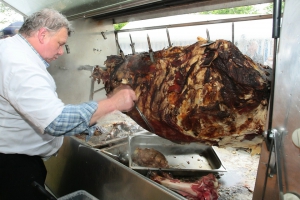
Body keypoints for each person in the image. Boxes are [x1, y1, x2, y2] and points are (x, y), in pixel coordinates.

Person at [0, 8, 137, 200]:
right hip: (13, 167)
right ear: (42, 34)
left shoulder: (9, 49)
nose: (61, 52)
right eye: (60, 43)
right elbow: (57, 121)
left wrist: (86, 124)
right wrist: (113, 103)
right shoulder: (21, 66)